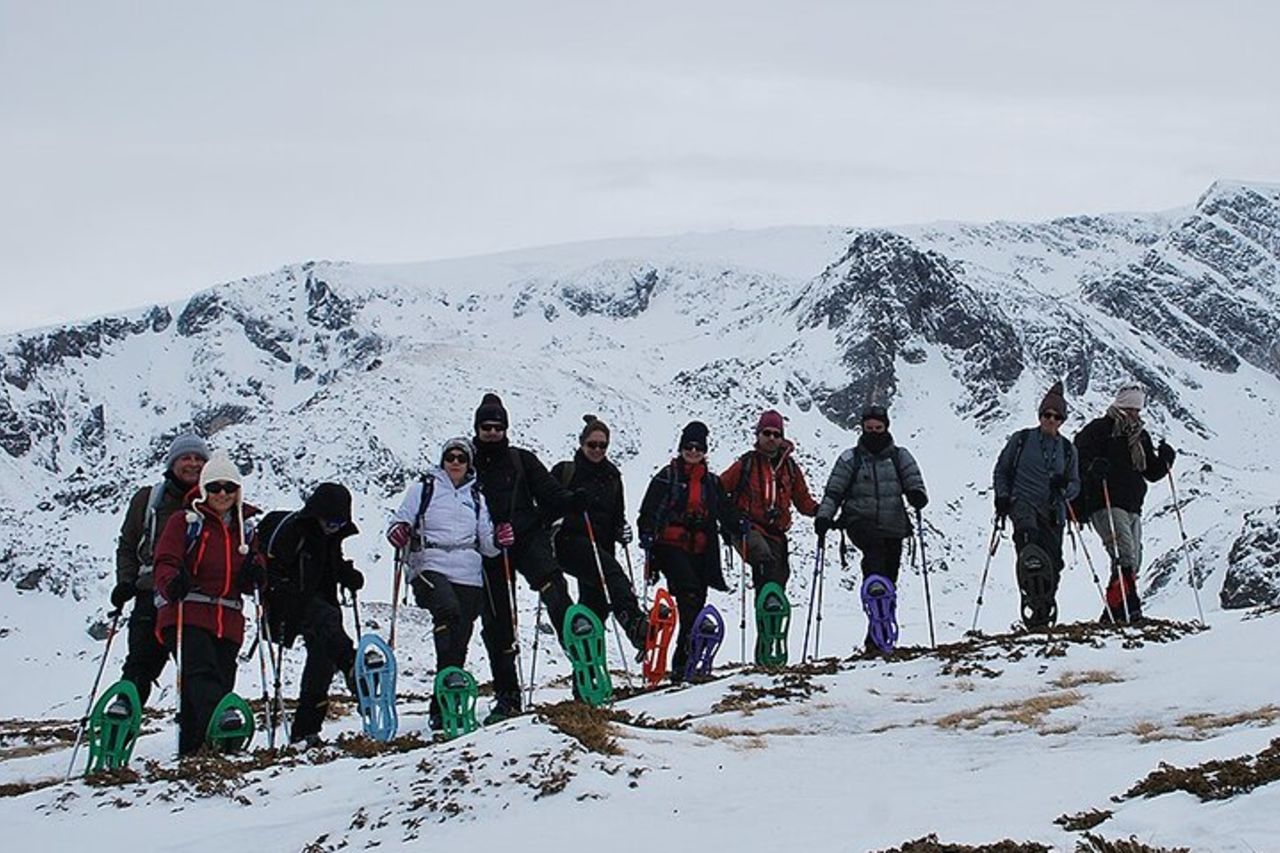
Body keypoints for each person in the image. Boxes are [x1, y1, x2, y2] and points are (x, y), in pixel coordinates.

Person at [470, 393, 585, 722]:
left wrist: (570, 501)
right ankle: (508, 695)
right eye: (486, 427)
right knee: (497, 621)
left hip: (528, 537)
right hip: (487, 548)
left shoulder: (522, 459)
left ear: (506, 428)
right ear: (477, 428)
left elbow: (549, 491)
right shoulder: (467, 463)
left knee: (553, 586)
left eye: (497, 427)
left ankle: (581, 662)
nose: (492, 432)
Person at [387, 437, 499, 730]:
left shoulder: (477, 497)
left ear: (469, 463)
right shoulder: (424, 488)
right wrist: (399, 531)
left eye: (461, 458)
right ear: (443, 459)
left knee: (459, 641)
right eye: (450, 456)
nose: (455, 462)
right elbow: (400, 521)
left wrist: (499, 540)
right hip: (429, 563)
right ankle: (447, 697)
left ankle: (442, 708)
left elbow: (487, 545)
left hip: (469, 571)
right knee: (447, 610)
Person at [153, 451, 258, 756]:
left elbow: (257, 568)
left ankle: (194, 755)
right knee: (202, 674)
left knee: (213, 684)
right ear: (203, 489)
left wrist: (257, 574)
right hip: (187, 613)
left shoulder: (247, 528)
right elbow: (166, 560)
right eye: (214, 487)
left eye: (229, 487)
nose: (222, 493)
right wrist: (172, 582)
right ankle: (226, 738)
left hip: (228, 619)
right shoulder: (184, 522)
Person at [108, 434, 210, 716]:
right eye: (186, 458)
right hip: (151, 592)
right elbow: (128, 544)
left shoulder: (215, 500)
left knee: (197, 668)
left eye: (199, 459)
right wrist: (126, 581)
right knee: (141, 661)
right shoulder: (148, 500)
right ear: (172, 462)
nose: (193, 464)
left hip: (196, 596)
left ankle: (195, 738)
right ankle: (122, 717)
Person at [814, 404, 927, 652]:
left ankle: (878, 637)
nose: (874, 432)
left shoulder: (899, 457)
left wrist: (917, 495)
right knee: (875, 561)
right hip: (859, 521)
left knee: (889, 581)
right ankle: (878, 630)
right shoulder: (850, 459)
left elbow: (913, 481)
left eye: (878, 428)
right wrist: (824, 516)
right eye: (869, 428)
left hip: (894, 526)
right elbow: (834, 491)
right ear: (862, 429)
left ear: (886, 427)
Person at [259, 482, 364, 747]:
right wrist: (280, 590)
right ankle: (353, 666)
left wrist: (348, 575)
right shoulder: (293, 532)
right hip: (292, 604)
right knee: (328, 629)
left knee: (322, 663)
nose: (334, 527)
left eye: (339, 523)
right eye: (330, 522)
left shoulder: (329, 536)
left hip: (320, 601)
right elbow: (271, 569)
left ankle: (306, 731)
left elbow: (332, 565)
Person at [636, 421, 738, 681]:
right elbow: (648, 510)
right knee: (690, 595)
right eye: (688, 447)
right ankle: (685, 663)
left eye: (698, 448)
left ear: (705, 451)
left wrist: (738, 526)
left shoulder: (712, 483)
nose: (693, 452)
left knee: (694, 601)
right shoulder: (667, 476)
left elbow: (724, 512)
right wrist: (646, 533)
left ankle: (683, 663)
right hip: (670, 548)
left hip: (702, 552)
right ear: (681, 448)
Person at [1072, 384, 1176, 622]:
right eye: (1130, 408)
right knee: (1124, 554)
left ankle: (1114, 612)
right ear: (1120, 405)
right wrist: (1093, 467)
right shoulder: (1100, 429)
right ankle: (1130, 609)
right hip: (1105, 502)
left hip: (1132, 505)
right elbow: (1079, 456)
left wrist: (1166, 461)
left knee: (1133, 559)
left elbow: (1150, 471)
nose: (1134, 414)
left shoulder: (1139, 435)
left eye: (1137, 410)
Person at [549, 416, 648, 655]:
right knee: (611, 573)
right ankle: (633, 622)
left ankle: (587, 673)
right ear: (581, 444)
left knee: (596, 609)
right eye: (592, 444)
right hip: (568, 542)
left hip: (600, 544)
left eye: (602, 445)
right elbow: (548, 505)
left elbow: (616, 515)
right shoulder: (566, 472)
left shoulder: (612, 476)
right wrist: (569, 509)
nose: (597, 450)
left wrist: (621, 531)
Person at [991, 382, 1080, 627]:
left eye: (1056, 416)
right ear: (1040, 415)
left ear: (1062, 420)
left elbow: (1076, 485)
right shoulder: (1021, 440)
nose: (1051, 420)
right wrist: (1002, 496)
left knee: (1053, 563)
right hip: (1023, 504)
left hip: (1054, 513)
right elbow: (1002, 470)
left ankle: (1042, 611)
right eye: (1047, 415)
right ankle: (1033, 607)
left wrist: (1065, 488)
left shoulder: (1067, 449)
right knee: (1030, 556)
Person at [719, 409, 820, 592]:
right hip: (748, 527)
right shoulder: (746, 464)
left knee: (779, 577)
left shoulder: (790, 468)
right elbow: (718, 488)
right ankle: (767, 606)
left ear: (782, 438)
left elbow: (802, 499)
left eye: (776, 434)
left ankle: (768, 615)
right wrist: (730, 518)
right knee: (763, 559)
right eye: (767, 433)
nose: (771, 438)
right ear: (758, 435)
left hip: (776, 532)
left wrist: (820, 511)